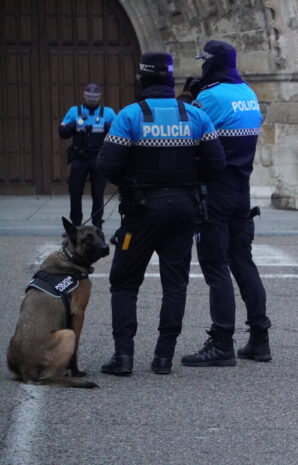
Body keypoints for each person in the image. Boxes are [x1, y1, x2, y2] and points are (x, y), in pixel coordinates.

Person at [97, 52, 226, 376]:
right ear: (171, 80)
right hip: (183, 209)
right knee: (175, 284)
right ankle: (163, 357)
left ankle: (123, 357)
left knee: (124, 281)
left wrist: (131, 181)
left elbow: (107, 164)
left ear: (142, 79)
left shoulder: (130, 115)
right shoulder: (194, 114)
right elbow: (217, 164)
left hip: (142, 211)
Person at [179, 40, 273, 367]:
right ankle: (260, 339)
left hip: (214, 193)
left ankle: (221, 342)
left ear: (211, 62)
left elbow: (186, 133)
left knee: (215, 267)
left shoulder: (209, 96)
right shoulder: (247, 93)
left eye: (204, 61)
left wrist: (189, 100)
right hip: (242, 190)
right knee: (242, 261)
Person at [58, 83, 116, 229]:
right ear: (84, 95)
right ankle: (76, 225)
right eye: (89, 96)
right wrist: (72, 126)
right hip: (79, 157)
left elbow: (118, 131)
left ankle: (97, 224)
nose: (92, 99)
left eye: (95, 97)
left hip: (98, 158)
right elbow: (62, 132)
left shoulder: (108, 113)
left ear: (100, 97)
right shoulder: (74, 111)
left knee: (98, 192)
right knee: (75, 191)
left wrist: (108, 128)